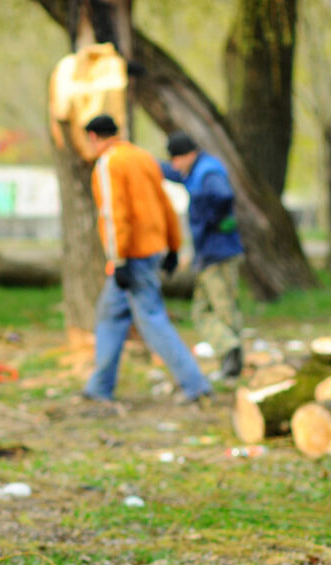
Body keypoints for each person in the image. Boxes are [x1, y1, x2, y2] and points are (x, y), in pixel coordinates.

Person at [80, 114, 211, 406]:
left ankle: (195, 384)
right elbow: (165, 202)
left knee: (152, 320)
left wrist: (119, 259)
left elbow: (114, 215)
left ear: (93, 137)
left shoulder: (109, 164)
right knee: (110, 316)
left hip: (131, 256)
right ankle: (100, 386)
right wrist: (173, 246)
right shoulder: (142, 157)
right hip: (151, 250)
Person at [160, 130, 245, 380]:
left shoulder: (207, 172)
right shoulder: (196, 170)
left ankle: (232, 361)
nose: (175, 165)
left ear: (187, 155)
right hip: (209, 253)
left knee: (223, 308)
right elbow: (175, 175)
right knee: (201, 311)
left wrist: (209, 224)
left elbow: (223, 196)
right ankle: (229, 353)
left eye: (175, 159)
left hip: (219, 252)